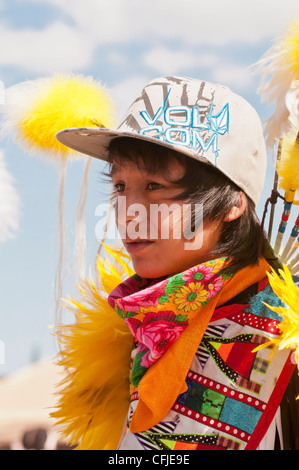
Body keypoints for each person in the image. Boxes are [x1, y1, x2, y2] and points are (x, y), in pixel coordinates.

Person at [54, 76, 298, 450]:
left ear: (232, 203)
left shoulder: (286, 341)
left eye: (154, 186)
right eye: (120, 187)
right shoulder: (128, 334)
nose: (127, 215)